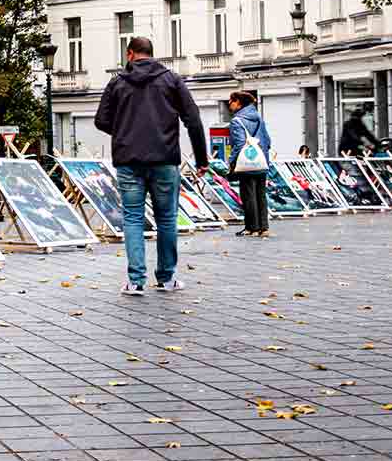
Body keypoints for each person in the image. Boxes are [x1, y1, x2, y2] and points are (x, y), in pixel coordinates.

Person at [94, 37, 209, 296]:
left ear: (130, 53)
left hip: (128, 161)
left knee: (133, 219)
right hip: (165, 159)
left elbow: (101, 120)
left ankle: (136, 281)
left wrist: (125, 132)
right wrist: (202, 160)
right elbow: (193, 120)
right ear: (152, 54)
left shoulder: (117, 82)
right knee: (166, 218)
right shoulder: (172, 79)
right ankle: (167, 278)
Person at [225, 91, 274, 237]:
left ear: (239, 102)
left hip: (246, 162)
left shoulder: (237, 121)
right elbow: (268, 141)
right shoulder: (259, 118)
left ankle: (251, 228)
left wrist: (231, 160)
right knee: (261, 194)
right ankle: (263, 227)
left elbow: (239, 144)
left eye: (231, 101)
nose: (229, 104)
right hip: (262, 161)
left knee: (248, 194)